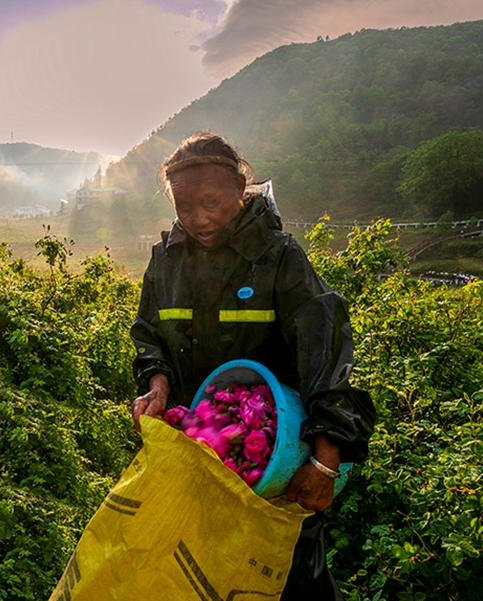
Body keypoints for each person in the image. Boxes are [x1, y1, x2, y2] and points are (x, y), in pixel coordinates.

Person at [129, 132, 376, 600]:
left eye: (212, 202)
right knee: (203, 570)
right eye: (184, 207)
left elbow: (324, 353)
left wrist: (325, 461)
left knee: (289, 574)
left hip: (278, 457)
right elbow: (149, 334)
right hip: (205, 454)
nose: (199, 218)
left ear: (241, 189)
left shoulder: (279, 259)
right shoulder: (166, 262)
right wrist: (157, 382)